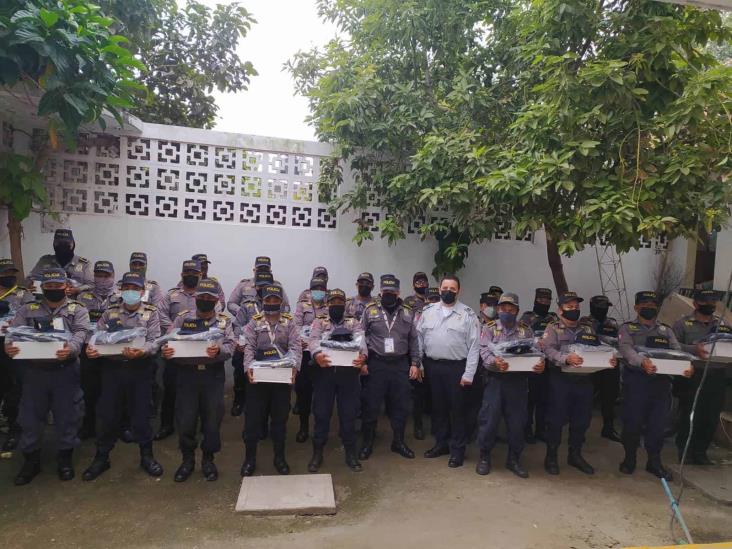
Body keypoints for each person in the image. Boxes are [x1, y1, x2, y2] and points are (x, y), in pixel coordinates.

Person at [4, 268, 89, 485]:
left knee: (68, 416)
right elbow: (14, 332)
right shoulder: (28, 309)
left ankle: (65, 458)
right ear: (43, 287)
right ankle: (31, 461)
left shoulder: (77, 309)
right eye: (49, 286)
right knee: (30, 418)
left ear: (65, 286)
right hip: (34, 373)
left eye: (57, 285)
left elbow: (81, 332)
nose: (53, 289)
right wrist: (9, 347)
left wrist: (70, 348)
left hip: (65, 371)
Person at [82, 272, 163, 481]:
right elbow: (96, 335)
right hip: (113, 370)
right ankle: (101, 457)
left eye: (135, 288)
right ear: (120, 290)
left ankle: (147, 457)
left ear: (142, 292)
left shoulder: (151, 313)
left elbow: (155, 340)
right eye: (127, 288)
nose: (130, 292)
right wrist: (91, 348)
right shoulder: (109, 313)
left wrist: (143, 351)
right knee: (107, 414)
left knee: (141, 415)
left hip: (140, 370)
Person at [161, 278, 234, 482]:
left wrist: (219, 350)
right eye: (201, 296)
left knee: (212, 421)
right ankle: (187, 460)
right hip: (187, 376)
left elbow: (231, 346)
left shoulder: (223, 322)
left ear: (217, 299)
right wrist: (165, 351)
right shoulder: (182, 319)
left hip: (213, 377)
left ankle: (208, 460)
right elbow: (167, 341)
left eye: (209, 297)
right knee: (186, 420)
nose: (205, 300)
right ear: (195, 298)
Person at [618, 291, 691, 480]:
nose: (649, 307)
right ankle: (629, 458)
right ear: (636, 307)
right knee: (632, 422)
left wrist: (685, 366)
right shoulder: (628, 328)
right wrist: (642, 362)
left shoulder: (666, 331)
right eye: (645, 304)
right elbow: (626, 349)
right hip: (637, 382)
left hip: (661, 383)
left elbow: (677, 351)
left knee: (657, 425)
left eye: (652, 304)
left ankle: (654, 461)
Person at [542, 291, 617, 476]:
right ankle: (551, 456)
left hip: (584, 380)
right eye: (569, 307)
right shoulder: (552, 328)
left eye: (576, 307)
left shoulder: (587, 329)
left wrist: (608, 360)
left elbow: (596, 349)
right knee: (556, 419)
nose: (573, 310)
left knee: (582, 420)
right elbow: (547, 350)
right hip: (560, 380)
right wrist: (565, 358)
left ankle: (575, 455)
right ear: (560, 310)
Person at [476, 293, 544, 478]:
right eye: (503, 308)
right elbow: (483, 351)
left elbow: (535, 353)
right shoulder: (489, 328)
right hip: (495, 381)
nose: (507, 311)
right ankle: (484, 457)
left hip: (518, 383)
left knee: (517, 423)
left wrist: (539, 364)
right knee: (489, 421)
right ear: (498, 309)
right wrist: (494, 363)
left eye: (511, 309)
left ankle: (514, 459)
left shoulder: (525, 331)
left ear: (517, 311)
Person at [416, 274, 480, 468]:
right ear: (440, 288)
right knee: (438, 408)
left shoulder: (468, 314)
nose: (448, 291)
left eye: (452, 289)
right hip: (433, 367)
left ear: (458, 291)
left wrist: (469, 374)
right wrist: (418, 363)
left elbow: (475, 346)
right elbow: (419, 339)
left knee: (458, 411)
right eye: (445, 288)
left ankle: (457, 450)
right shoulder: (428, 312)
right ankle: (441, 444)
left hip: (456, 368)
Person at [240, 283, 301, 477]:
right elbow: (248, 346)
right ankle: (249, 460)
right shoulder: (254, 323)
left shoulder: (289, 323)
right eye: (268, 300)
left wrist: (294, 368)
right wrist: (248, 368)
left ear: (281, 302)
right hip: (258, 380)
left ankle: (279, 458)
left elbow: (296, 347)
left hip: (281, 380)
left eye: (276, 300)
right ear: (262, 301)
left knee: (279, 421)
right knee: (252, 422)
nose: (272, 303)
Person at [357, 274, 420, 460]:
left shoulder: (408, 312)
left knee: (401, 406)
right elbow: (361, 336)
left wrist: (415, 363)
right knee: (371, 405)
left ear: (398, 292)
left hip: (400, 365)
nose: (389, 294)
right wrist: (363, 361)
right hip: (376, 364)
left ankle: (398, 442)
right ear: (381, 291)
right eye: (386, 291)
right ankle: (367, 443)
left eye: (392, 291)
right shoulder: (370, 310)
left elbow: (414, 340)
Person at [308, 289, 364, 472]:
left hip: (348, 375)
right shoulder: (319, 321)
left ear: (345, 304)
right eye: (333, 302)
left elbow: (361, 343)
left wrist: (362, 357)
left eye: (340, 301)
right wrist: (317, 355)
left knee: (348, 415)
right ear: (328, 303)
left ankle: (350, 453)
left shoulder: (353, 322)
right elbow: (313, 340)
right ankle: (317, 452)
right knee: (321, 414)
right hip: (325, 374)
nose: (337, 305)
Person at [673, 289, 728, 465]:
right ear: (696, 304)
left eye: (713, 302)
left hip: (716, 375)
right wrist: (693, 349)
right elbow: (673, 347)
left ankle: (701, 451)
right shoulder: (682, 324)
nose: (710, 306)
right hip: (693, 375)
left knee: (710, 416)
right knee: (690, 414)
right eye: (706, 302)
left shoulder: (722, 324)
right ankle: (684, 451)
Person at [155, 259, 203, 441]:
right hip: (174, 348)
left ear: (200, 275)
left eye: (195, 273)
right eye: (187, 273)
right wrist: (175, 330)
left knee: (197, 390)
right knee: (170, 388)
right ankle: (167, 425)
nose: (191, 276)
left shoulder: (206, 295)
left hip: (198, 349)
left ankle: (195, 424)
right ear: (182, 274)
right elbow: (161, 314)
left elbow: (214, 316)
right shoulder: (171, 295)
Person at [76, 260, 119, 440]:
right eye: (98, 275)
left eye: (106, 276)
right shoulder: (82, 297)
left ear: (113, 277)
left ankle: (114, 427)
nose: (101, 279)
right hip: (89, 349)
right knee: (89, 390)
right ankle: (89, 425)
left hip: (112, 349)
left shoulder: (122, 297)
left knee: (113, 391)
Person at [0, 259, 35, 452]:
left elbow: (34, 316)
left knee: (16, 389)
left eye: (12, 273)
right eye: (5, 274)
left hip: (16, 345)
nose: (9, 277)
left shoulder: (23, 294)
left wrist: (17, 322)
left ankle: (15, 429)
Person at [229, 270, 273, 418]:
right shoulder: (247, 305)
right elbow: (236, 326)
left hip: (267, 348)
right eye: (260, 286)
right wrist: (239, 341)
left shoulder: (276, 305)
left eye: (266, 286)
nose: (263, 289)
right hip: (246, 346)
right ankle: (239, 401)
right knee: (240, 373)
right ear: (256, 287)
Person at [580, 295, 621, 442]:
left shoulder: (613, 322)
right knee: (586, 399)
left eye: (605, 307)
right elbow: (585, 339)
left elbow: (619, 341)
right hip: (592, 364)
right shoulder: (584, 322)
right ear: (592, 307)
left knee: (609, 398)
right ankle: (581, 430)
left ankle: (608, 428)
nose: (603, 310)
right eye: (600, 307)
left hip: (610, 364)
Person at [520, 288, 559, 444]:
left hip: (550, 364)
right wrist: (537, 341)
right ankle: (527, 429)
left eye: (547, 301)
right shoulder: (527, 317)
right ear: (536, 300)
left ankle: (541, 430)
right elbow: (522, 337)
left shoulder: (553, 318)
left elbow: (559, 335)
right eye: (541, 300)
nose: (544, 303)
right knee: (530, 400)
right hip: (532, 363)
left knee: (545, 399)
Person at [293, 275, 328, 443]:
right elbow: (296, 326)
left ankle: (320, 429)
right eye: (316, 289)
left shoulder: (329, 307)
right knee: (303, 392)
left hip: (322, 355)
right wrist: (307, 343)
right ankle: (303, 426)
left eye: (322, 289)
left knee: (321, 395)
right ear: (310, 290)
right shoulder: (302, 306)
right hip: (305, 354)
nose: (319, 292)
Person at [27, 229, 93, 295]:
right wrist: (30, 284)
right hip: (48, 299)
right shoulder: (45, 261)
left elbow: (92, 284)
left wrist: (78, 289)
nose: (62, 246)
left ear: (73, 244)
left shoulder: (84, 264)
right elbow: (30, 279)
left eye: (66, 243)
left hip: (75, 300)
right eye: (59, 243)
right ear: (54, 244)